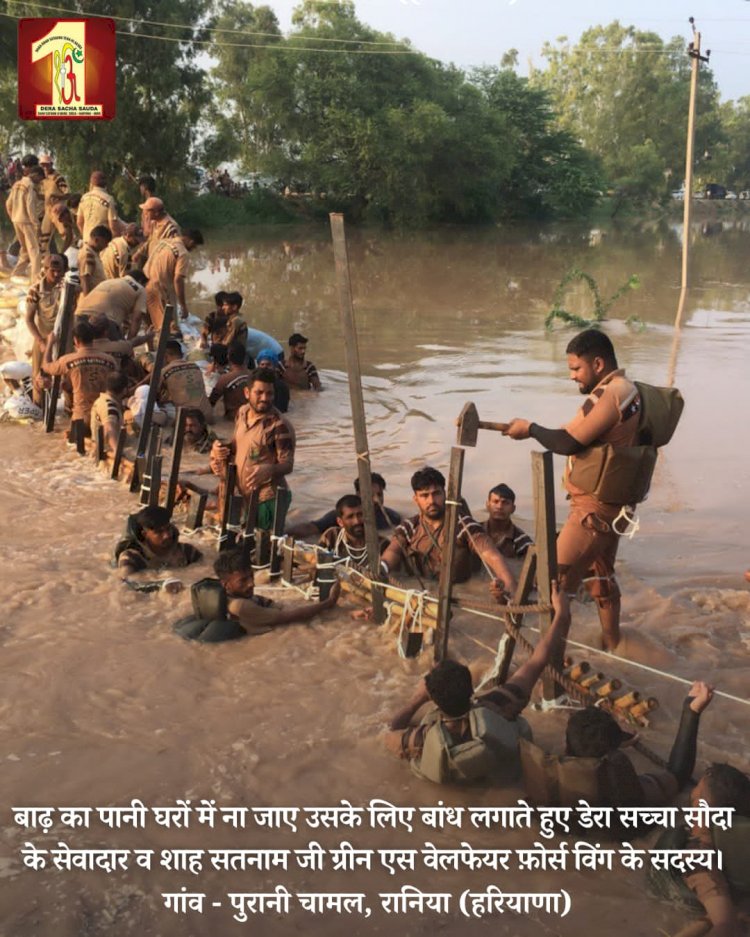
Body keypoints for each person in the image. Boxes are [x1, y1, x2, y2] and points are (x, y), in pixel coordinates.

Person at [503, 328, 643, 651]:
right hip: (613, 507)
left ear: (597, 363)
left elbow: (567, 442)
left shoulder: (613, 393)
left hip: (593, 511)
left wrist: (532, 429)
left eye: (576, 369)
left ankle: (553, 663)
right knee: (601, 579)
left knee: (555, 582)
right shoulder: (628, 390)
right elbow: (573, 430)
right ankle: (614, 647)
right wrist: (526, 430)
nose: (572, 376)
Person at [384, 582, 570, 784]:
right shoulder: (500, 706)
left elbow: (389, 734)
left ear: (434, 699)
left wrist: (416, 700)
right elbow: (537, 661)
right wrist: (561, 614)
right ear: (471, 689)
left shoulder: (424, 737)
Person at [522, 681, 714, 813]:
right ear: (613, 751)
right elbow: (677, 777)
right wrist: (691, 712)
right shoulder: (621, 789)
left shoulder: (550, 781)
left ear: (566, 745)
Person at [380, 466, 515, 597]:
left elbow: (492, 556)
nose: (431, 501)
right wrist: (381, 569)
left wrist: (508, 587)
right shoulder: (409, 527)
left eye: (436, 493)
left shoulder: (465, 526)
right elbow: (393, 551)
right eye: (424, 495)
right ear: (416, 499)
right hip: (421, 593)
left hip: (459, 594)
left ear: (445, 494)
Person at [651, 763, 750, 937]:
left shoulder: (698, 853)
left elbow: (726, 925)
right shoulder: (735, 829)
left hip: (708, 889)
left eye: (697, 796)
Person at [209, 368, 295, 530]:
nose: (265, 398)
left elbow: (288, 465)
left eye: (269, 394)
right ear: (247, 393)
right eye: (259, 393)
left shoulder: (278, 425)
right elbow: (237, 445)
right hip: (244, 495)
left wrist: (269, 469)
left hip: (268, 499)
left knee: (262, 547)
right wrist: (219, 448)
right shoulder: (242, 413)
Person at [209, 548, 340, 634]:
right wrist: (329, 602)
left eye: (251, 576)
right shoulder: (241, 606)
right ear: (226, 584)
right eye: (242, 581)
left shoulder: (221, 594)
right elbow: (291, 617)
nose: (251, 583)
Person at [41, 319, 117, 426]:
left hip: (81, 418)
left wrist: (49, 343)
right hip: (105, 415)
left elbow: (45, 367)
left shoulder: (67, 360)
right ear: (93, 339)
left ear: (75, 341)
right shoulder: (110, 360)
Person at [288, 472, 400, 539]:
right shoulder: (343, 516)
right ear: (358, 494)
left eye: (379, 495)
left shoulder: (392, 518)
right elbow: (311, 528)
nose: (376, 500)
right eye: (370, 495)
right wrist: (283, 535)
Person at [114, 505, 202, 590]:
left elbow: (206, 568)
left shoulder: (187, 552)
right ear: (145, 534)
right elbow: (126, 584)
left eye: (168, 529)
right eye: (159, 532)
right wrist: (161, 585)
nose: (166, 535)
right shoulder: (131, 557)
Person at [25, 253, 66, 407]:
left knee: (66, 377)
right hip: (42, 339)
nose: (56, 274)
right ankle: (39, 407)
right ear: (45, 268)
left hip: (64, 341)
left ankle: (68, 410)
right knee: (39, 378)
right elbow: (29, 319)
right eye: (52, 270)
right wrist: (41, 342)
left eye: (59, 271)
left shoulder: (66, 287)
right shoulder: (35, 290)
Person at [143, 230, 203, 333]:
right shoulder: (182, 253)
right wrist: (183, 306)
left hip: (144, 283)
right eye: (194, 247)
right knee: (169, 327)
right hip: (159, 289)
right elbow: (178, 280)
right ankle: (168, 348)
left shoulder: (164, 242)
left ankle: (151, 347)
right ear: (191, 242)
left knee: (151, 323)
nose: (192, 249)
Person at [319, 494, 388, 569]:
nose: (357, 521)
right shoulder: (331, 537)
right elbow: (320, 565)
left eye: (360, 514)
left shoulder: (382, 544)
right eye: (350, 517)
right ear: (340, 522)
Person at [75, 270, 149, 338]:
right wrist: (129, 344)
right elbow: (137, 318)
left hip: (80, 314)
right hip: (105, 320)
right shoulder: (141, 289)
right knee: (116, 349)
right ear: (140, 281)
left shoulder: (111, 281)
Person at [157, 340, 214, 424]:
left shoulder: (165, 371)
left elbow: (155, 396)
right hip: (208, 415)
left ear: (165, 355)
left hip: (188, 419)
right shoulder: (195, 366)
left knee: (161, 410)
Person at [5, 162, 44, 280]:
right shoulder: (30, 185)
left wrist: (13, 216)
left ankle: (15, 275)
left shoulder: (17, 184)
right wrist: (37, 225)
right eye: (40, 178)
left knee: (25, 250)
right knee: (35, 252)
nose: (40, 181)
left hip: (16, 220)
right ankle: (36, 280)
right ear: (36, 175)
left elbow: (8, 204)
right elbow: (30, 207)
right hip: (27, 221)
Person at [483, 483, 533, 558]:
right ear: (487, 505)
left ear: (513, 508)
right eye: (495, 502)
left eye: (505, 503)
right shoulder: (475, 531)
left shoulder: (522, 541)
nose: (499, 507)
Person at [208, 341, 252, 421]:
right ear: (245, 357)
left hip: (232, 420)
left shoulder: (225, 379)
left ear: (228, 357)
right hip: (251, 418)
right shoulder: (254, 375)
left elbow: (210, 403)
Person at [133, 196, 180, 265]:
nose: (145, 213)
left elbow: (175, 252)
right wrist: (139, 252)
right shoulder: (154, 222)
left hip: (163, 266)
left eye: (147, 211)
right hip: (153, 263)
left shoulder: (171, 227)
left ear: (156, 213)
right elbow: (150, 241)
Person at [38, 154, 70, 256]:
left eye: (46, 165)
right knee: (43, 238)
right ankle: (45, 263)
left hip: (58, 211)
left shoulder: (58, 177)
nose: (45, 168)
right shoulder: (42, 180)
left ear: (51, 164)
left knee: (66, 234)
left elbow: (67, 194)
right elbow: (45, 196)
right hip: (48, 211)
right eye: (42, 165)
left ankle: (71, 258)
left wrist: (56, 196)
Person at [90, 371, 129, 455]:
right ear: (125, 390)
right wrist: (117, 451)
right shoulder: (110, 407)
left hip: (98, 448)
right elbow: (108, 428)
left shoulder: (100, 400)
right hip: (107, 453)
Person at [76, 171, 122, 241]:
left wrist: (85, 236)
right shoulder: (109, 199)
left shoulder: (84, 198)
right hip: (102, 243)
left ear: (91, 183)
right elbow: (113, 226)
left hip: (87, 242)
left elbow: (79, 222)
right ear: (105, 184)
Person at [78, 224, 112, 296]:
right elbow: (85, 279)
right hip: (92, 298)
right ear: (97, 240)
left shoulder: (93, 253)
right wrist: (88, 299)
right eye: (105, 243)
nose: (106, 246)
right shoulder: (88, 254)